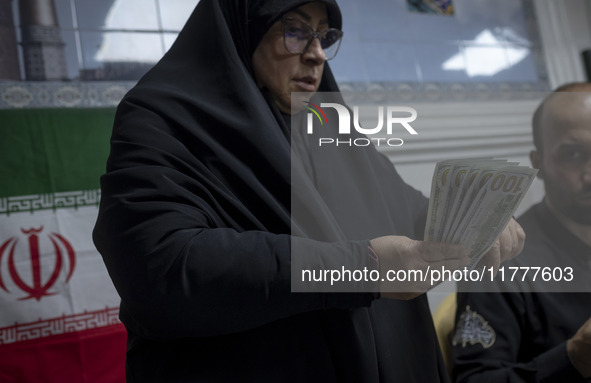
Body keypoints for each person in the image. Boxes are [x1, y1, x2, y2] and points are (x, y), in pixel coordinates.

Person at [93, 0, 524, 381]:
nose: (317, 54)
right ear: (245, 25)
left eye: (325, 35)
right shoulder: (165, 119)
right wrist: (361, 267)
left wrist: (471, 224)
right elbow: (162, 269)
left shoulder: (324, 123)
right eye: (295, 30)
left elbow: (401, 207)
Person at [451, 82, 591, 382]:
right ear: (537, 164)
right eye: (573, 154)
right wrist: (573, 358)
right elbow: (475, 379)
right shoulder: (497, 261)